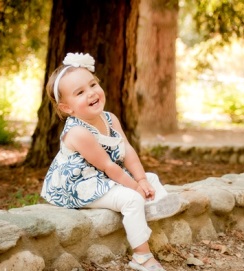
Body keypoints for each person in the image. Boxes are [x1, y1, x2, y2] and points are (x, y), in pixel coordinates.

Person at [41, 52, 181, 271]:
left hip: (103, 177)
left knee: (151, 178)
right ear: (67, 108)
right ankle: (142, 257)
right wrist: (135, 188)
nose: (91, 93)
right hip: (80, 186)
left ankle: (151, 207)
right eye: (80, 92)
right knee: (131, 199)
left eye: (92, 85)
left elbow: (127, 150)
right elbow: (107, 165)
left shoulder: (110, 118)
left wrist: (141, 180)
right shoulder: (78, 132)